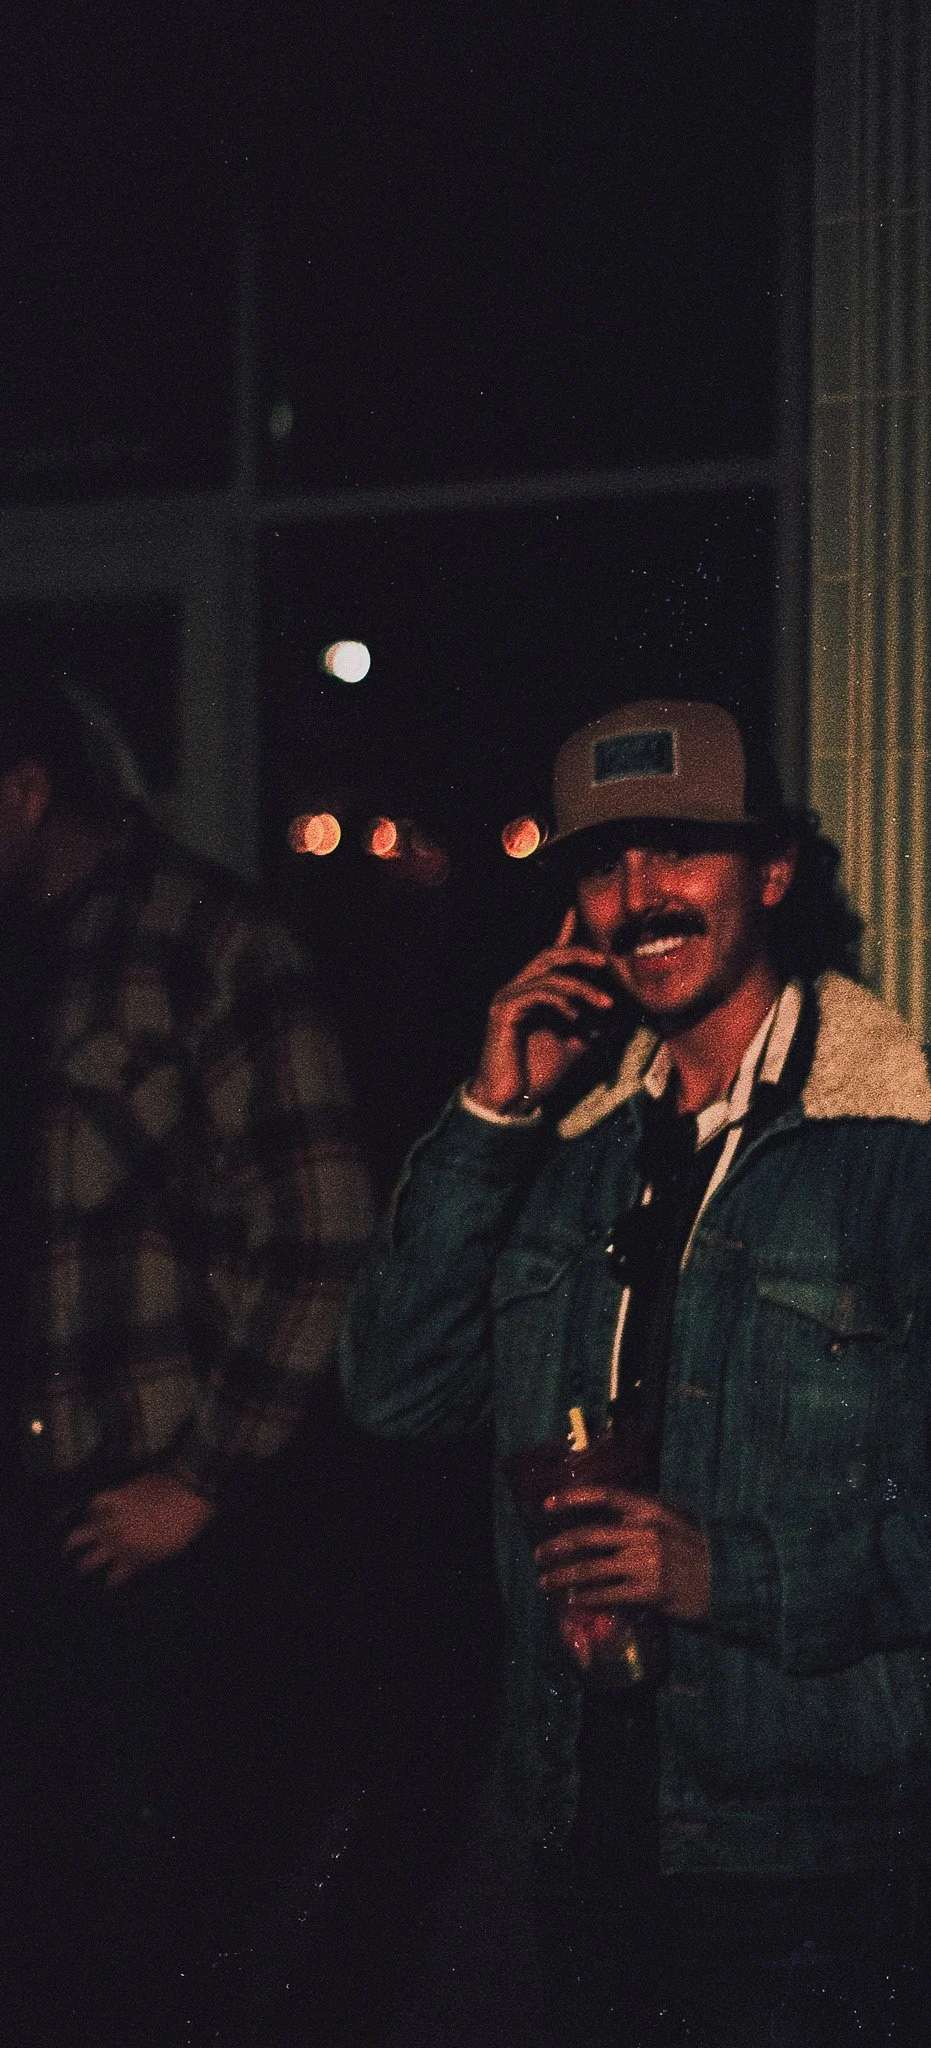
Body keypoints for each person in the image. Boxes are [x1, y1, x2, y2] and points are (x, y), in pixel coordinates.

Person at [340, 696, 931, 2046]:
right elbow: (394, 1390)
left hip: (807, 1851)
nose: (637, 897)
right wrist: (485, 1117)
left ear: (771, 870)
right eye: (601, 863)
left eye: (679, 851)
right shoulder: (565, 1143)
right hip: (575, 1806)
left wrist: (733, 1570)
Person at [0, 670, 375, 2044]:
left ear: (27, 793)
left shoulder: (210, 940)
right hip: (17, 1529)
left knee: (155, 1920)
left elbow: (328, 1235)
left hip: (143, 1531)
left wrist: (200, 1484)